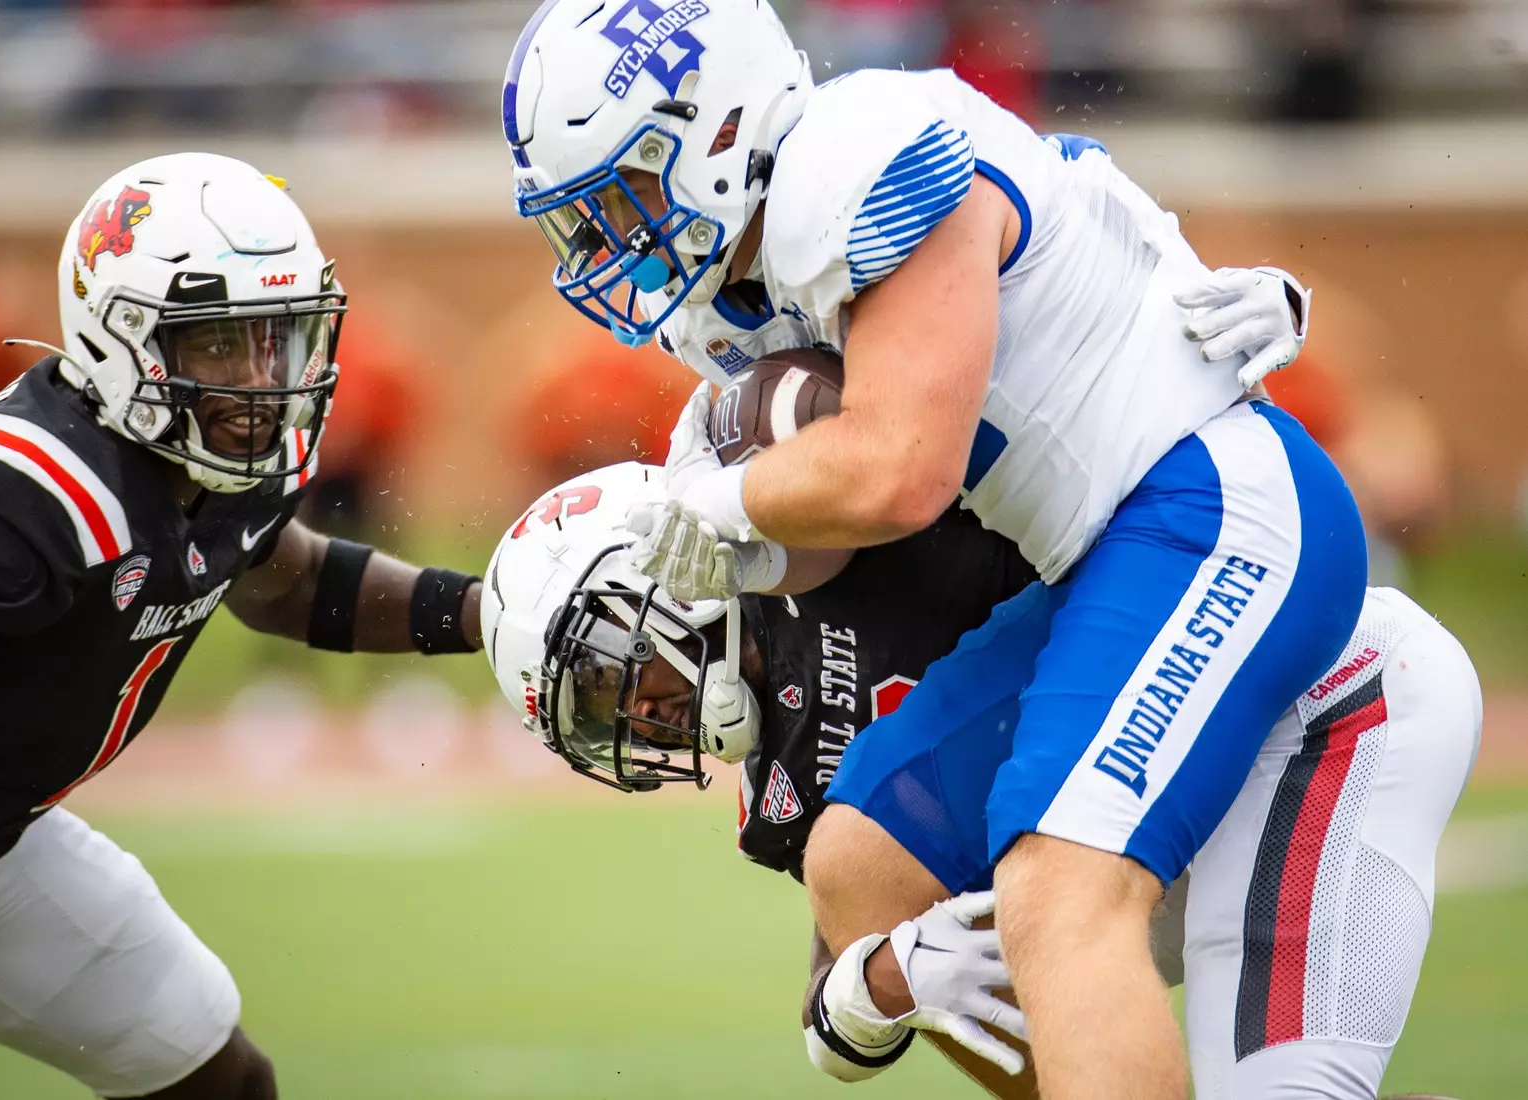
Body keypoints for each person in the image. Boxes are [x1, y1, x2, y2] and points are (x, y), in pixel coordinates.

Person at [502, 3, 1366, 1095]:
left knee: (1058, 888)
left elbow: (898, 469)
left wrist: (725, 502)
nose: (607, 244)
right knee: (864, 863)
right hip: (1101, 557)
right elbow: (1075, 191)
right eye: (584, 220)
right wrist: (852, 1006)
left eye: (621, 195)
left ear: (714, 128)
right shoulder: (741, 288)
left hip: (1206, 504)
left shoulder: (850, 157)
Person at [482, 460, 1478, 1100]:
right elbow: (846, 966)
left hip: (1306, 708)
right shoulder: (781, 798)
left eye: (612, 676)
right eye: (589, 717)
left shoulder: (859, 525)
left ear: (667, 574)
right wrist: (881, 988)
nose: (633, 716)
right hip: (1151, 843)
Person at [0, 153, 482, 1100]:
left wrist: (489, 612)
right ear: (122, 340)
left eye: (276, 339)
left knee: (217, 1079)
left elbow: (283, 583)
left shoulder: (210, 456)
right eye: (219, 345)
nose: (258, 380)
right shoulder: (22, 496)